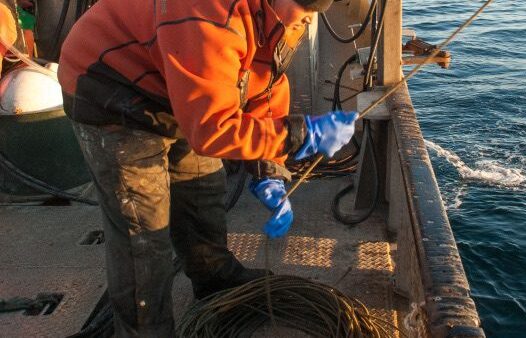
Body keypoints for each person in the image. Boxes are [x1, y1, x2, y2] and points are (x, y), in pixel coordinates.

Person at [57, 0, 357, 336]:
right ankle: (146, 330)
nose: (303, 20)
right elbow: (211, 129)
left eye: (311, 13)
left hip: (176, 86)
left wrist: (269, 168)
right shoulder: (205, 11)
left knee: (202, 188)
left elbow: (263, 82)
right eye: (300, 9)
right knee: (143, 231)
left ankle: (215, 279)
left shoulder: (286, 16)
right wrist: (300, 135)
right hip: (110, 88)